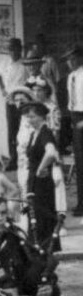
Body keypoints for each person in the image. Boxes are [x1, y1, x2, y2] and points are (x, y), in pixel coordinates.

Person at [20, 101, 62, 246]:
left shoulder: (45, 132)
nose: (30, 120)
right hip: (33, 180)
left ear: (42, 117)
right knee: (35, 216)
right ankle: (38, 248)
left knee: (43, 216)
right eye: (28, 117)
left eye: (32, 117)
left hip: (42, 182)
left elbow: (51, 153)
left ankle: (48, 248)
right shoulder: (34, 134)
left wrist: (40, 168)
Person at [0, 38, 30, 168]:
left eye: (15, 49)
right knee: (12, 131)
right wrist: (3, 89)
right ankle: (13, 160)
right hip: (10, 102)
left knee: (25, 130)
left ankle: (25, 159)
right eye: (10, 49)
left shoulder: (26, 64)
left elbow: (30, 82)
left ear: (20, 49)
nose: (13, 52)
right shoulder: (5, 64)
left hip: (23, 102)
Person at [65, 47, 83, 216]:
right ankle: (81, 203)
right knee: (79, 163)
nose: (69, 62)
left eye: (71, 59)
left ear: (78, 58)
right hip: (75, 118)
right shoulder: (71, 77)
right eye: (67, 60)